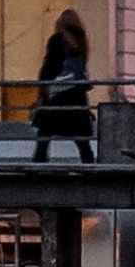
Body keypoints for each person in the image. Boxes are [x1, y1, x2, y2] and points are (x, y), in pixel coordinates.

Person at [33, 9, 96, 164]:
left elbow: (49, 66)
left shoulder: (56, 40)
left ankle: (39, 163)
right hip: (76, 95)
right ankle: (89, 165)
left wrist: (42, 91)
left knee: (44, 133)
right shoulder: (81, 41)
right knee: (82, 139)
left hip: (57, 94)